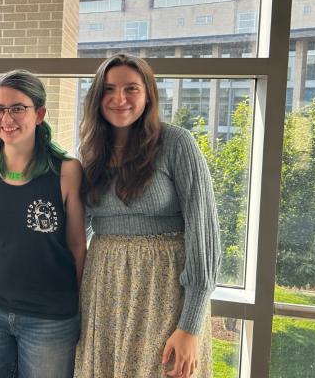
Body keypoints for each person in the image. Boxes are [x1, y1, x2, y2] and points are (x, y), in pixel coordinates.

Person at [75, 53, 221, 378]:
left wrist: (191, 325)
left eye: (131, 89)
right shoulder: (89, 152)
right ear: (97, 96)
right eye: (109, 89)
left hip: (164, 293)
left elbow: (204, 232)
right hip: (103, 290)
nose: (119, 99)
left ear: (148, 94)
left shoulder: (176, 143)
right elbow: (74, 229)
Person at [0, 69, 86, 378]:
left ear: (40, 113)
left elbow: (77, 247)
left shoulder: (67, 171)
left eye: (18, 108)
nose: (7, 118)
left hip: (49, 319)